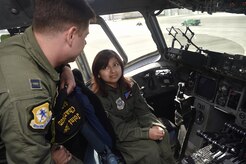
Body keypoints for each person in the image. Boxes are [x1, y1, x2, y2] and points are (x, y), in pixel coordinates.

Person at [0, 0, 96, 163]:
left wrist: (65, 68)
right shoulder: (28, 96)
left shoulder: (20, 45)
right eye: (84, 36)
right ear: (71, 35)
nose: (85, 43)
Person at [91, 49, 176, 164]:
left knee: (163, 133)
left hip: (139, 124)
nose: (112, 71)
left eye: (115, 64)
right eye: (105, 67)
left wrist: (154, 125)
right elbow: (119, 131)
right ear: (98, 74)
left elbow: (143, 111)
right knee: (151, 150)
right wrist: (147, 133)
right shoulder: (99, 98)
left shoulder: (130, 84)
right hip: (122, 136)